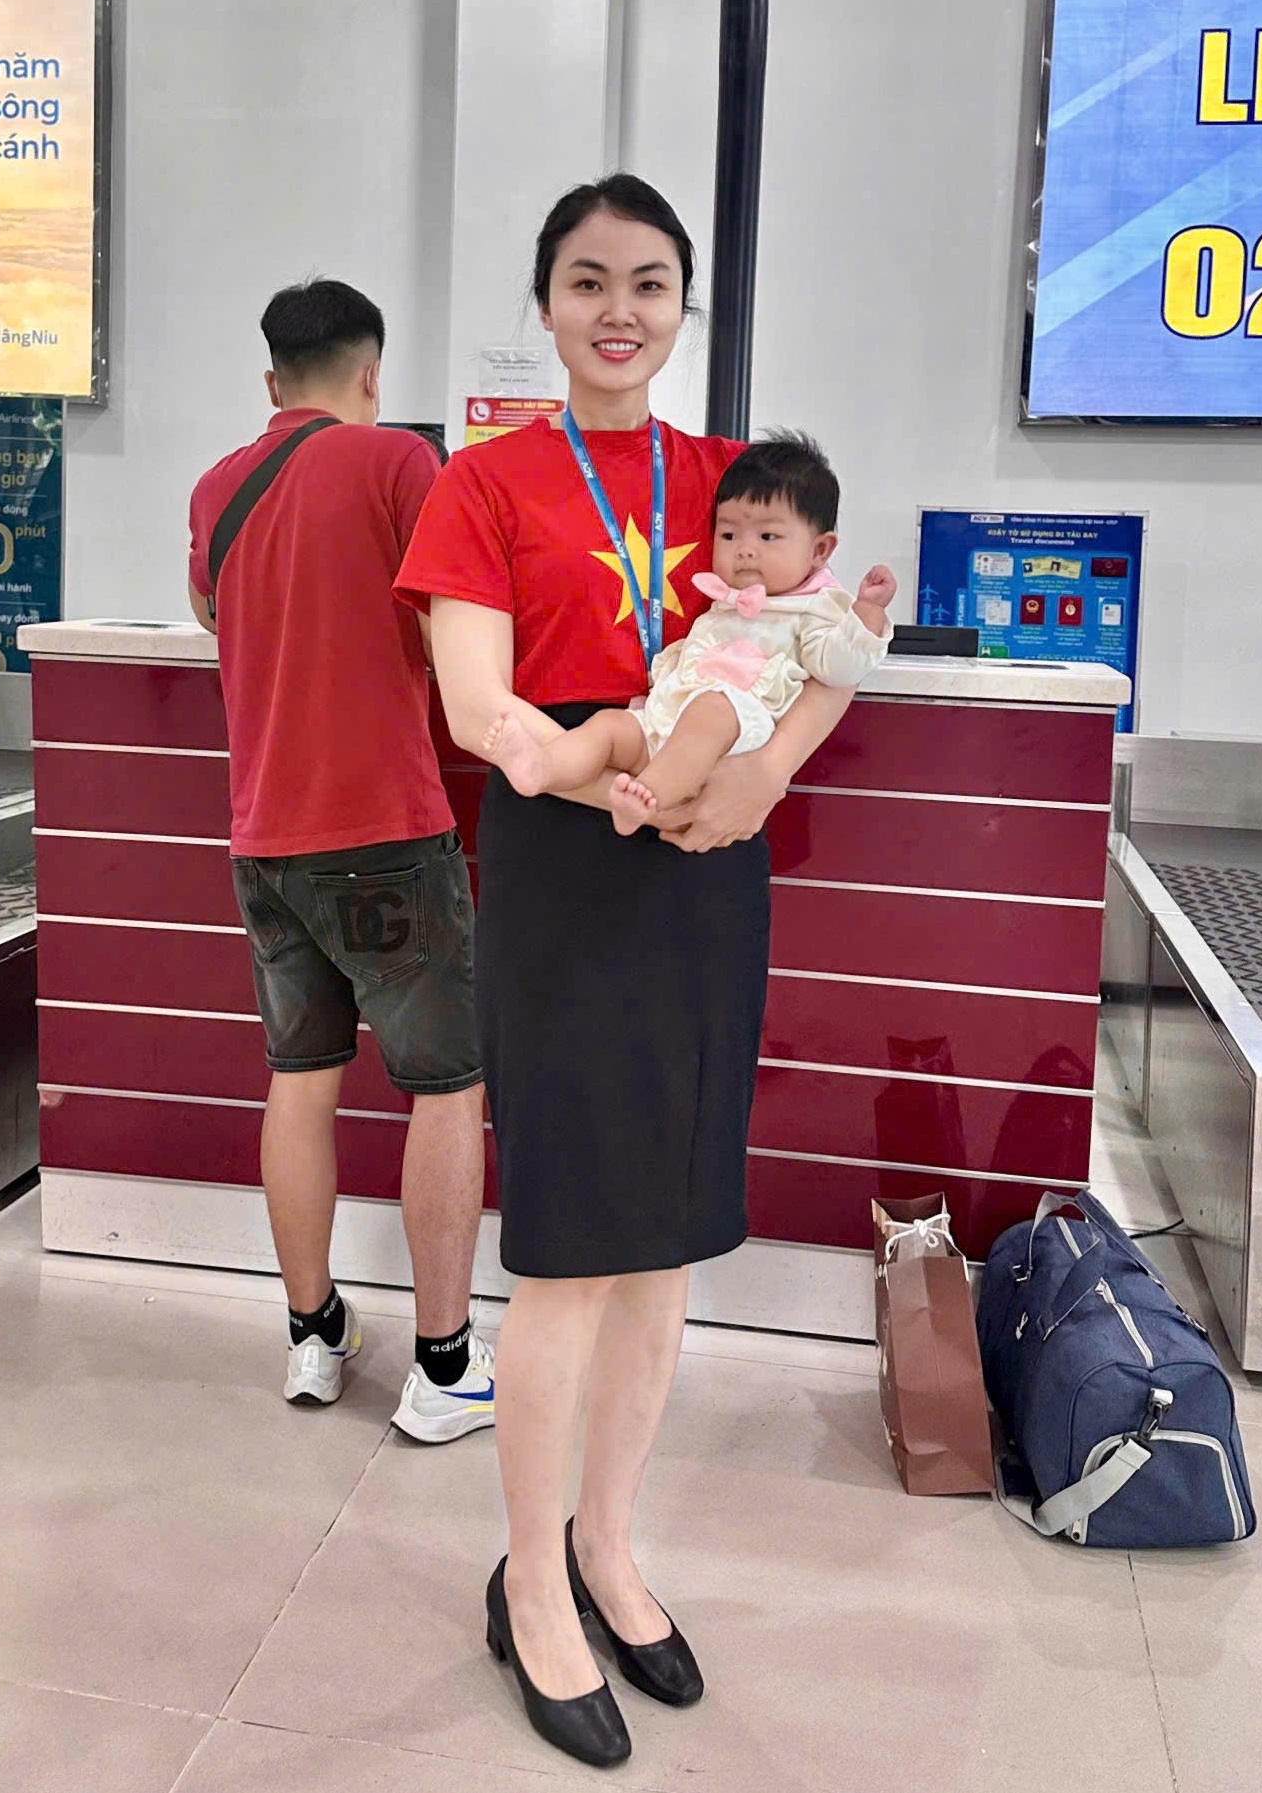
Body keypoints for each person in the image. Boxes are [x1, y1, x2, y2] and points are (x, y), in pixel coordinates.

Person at [396, 179, 873, 1768]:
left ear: (683, 306)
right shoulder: (484, 481)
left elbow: (816, 654)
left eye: (650, 282)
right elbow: (474, 702)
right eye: (589, 280)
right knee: (574, 1248)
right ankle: (529, 1581)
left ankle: (608, 1542)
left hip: (707, 867)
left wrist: (759, 779)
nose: (620, 310)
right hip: (569, 863)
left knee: (664, 1238)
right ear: (545, 302)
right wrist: (593, 764)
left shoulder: (735, 479)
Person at [187, 278, 494, 1444]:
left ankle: (314, 1338)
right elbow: (455, 628)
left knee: (301, 1078)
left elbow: (208, 609)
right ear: (372, 373)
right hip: (383, 837)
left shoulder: (218, 484)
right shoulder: (400, 464)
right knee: (446, 1085)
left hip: (264, 840)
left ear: (272, 380)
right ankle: (446, 1365)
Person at [481, 431, 897, 832]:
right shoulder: (725, 596)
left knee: (711, 710)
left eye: (767, 536)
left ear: (820, 550)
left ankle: (647, 798)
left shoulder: (815, 607)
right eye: (728, 534)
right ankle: (543, 768)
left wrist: (868, 611)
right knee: (608, 727)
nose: (744, 549)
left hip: (735, 731)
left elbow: (839, 668)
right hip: (667, 716)